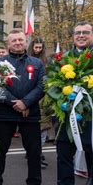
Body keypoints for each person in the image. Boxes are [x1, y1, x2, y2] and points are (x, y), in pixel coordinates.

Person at [49, 21, 93, 185]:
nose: (81, 35)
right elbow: (51, 82)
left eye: (85, 32)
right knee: (63, 156)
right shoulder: (64, 58)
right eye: (77, 33)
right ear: (72, 36)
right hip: (67, 117)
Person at [0, 30, 45, 185]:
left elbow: (41, 86)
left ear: (26, 42)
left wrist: (26, 102)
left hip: (30, 114)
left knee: (34, 153)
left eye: (20, 39)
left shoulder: (37, 63)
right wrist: (15, 103)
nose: (18, 43)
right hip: (5, 114)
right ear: (8, 44)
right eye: (14, 40)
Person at [28, 37, 52, 169]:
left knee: (43, 128)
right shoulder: (27, 59)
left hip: (44, 98)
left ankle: (38, 154)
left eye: (40, 47)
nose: (38, 50)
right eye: (35, 47)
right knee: (33, 130)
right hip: (32, 98)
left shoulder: (46, 62)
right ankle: (34, 153)